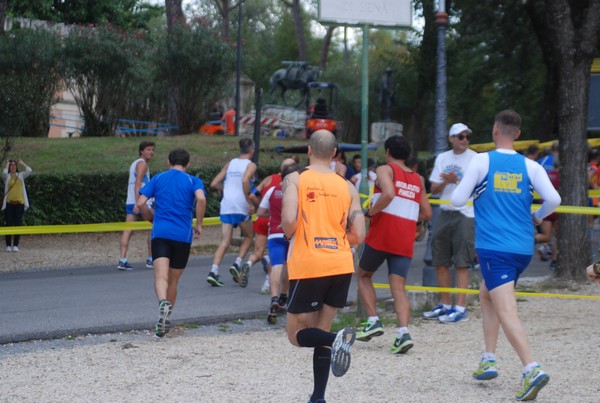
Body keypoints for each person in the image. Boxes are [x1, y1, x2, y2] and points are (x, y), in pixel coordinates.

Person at [451, 109, 560, 401]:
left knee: (506, 309)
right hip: (523, 248)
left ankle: (531, 368)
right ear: (519, 135)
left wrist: (476, 189)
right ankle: (488, 358)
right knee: (486, 293)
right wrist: (537, 214)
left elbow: (457, 199)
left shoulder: (481, 160)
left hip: (494, 247)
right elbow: (555, 199)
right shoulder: (531, 166)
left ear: (494, 130)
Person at [281, 129, 366, 403]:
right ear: (334, 154)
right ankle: (318, 396)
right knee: (322, 330)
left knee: (296, 335)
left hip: (309, 263)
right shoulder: (348, 185)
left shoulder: (295, 179)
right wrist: (341, 241)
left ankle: (337, 337)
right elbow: (359, 234)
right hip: (341, 262)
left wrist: (294, 232)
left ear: (308, 150)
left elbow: (289, 222)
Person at [356, 136, 432, 354]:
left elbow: (388, 193)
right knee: (398, 288)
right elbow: (426, 212)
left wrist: (369, 213)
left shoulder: (385, 170)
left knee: (363, 275)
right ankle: (403, 333)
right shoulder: (418, 179)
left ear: (388, 151)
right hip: (404, 236)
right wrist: (411, 220)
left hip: (383, 233)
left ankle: (373, 320)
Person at [137, 148, 206, 338]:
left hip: (160, 233)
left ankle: (162, 303)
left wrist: (149, 216)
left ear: (169, 162)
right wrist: (199, 223)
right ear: (188, 164)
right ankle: (165, 320)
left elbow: (141, 201)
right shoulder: (193, 180)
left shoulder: (158, 178)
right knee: (174, 280)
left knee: (161, 275)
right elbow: (201, 198)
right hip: (182, 235)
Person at [422, 122, 477, 323]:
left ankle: (460, 307)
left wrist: (457, 181)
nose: (464, 140)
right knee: (440, 259)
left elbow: (478, 188)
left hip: (466, 212)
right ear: (451, 138)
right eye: (460, 136)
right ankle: (445, 304)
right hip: (445, 210)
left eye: (467, 136)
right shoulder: (443, 158)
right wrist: (447, 181)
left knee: (462, 261)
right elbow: (434, 189)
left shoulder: (476, 159)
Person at [207, 138, 257, 288]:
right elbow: (245, 181)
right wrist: (249, 202)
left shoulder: (231, 163)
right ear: (252, 150)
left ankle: (213, 272)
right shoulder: (251, 165)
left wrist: (227, 189)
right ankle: (237, 263)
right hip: (240, 204)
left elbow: (214, 183)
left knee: (225, 241)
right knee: (249, 236)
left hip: (226, 204)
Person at [256, 159, 298, 324]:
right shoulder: (298, 191)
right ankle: (284, 296)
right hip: (293, 235)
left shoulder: (272, 190)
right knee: (289, 265)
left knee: (277, 266)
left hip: (274, 233)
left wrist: (273, 216)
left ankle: (274, 298)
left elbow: (260, 212)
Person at [118, 141, 155, 270]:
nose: (151, 152)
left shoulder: (134, 163)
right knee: (154, 228)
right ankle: (151, 259)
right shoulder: (142, 164)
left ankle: (122, 259)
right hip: (142, 203)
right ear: (141, 151)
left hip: (131, 202)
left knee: (128, 231)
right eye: (148, 149)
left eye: (152, 149)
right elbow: (138, 183)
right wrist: (139, 203)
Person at [2, 159, 32, 252]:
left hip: (19, 203)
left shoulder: (21, 175)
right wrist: (7, 163)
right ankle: (8, 245)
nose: (13, 167)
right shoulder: (7, 177)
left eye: (14, 165)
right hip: (9, 203)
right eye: (11, 165)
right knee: (9, 224)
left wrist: (22, 163)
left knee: (17, 223)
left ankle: (15, 244)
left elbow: (29, 170)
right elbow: (3, 173)